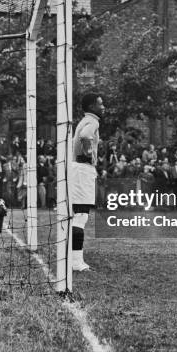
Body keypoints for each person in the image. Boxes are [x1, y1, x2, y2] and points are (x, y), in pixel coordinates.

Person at [71, 92, 105, 271]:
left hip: (77, 169)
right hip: (83, 170)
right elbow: (85, 136)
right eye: (100, 104)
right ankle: (76, 262)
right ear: (92, 106)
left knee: (76, 215)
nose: (103, 107)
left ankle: (73, 258)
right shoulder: (92, 121)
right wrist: (90, 154)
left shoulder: (83, 120)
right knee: (81, 216)